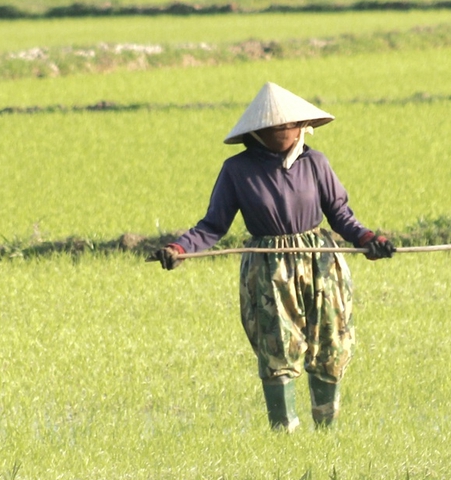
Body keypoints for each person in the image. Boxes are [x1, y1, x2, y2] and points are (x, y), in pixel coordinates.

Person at [158, 83, 395, 431]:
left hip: (320, 263)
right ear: (261, 132)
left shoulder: (315, 163)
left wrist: (369, 240)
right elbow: (213, 224)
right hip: (269, 268)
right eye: (282, 126)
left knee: (330, 341)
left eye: (294, 124)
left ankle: (327, 431)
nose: (291, 130)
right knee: (276, 348)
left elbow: (341, 215)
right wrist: (179, 249)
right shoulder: (237, 170)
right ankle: (284, 434)